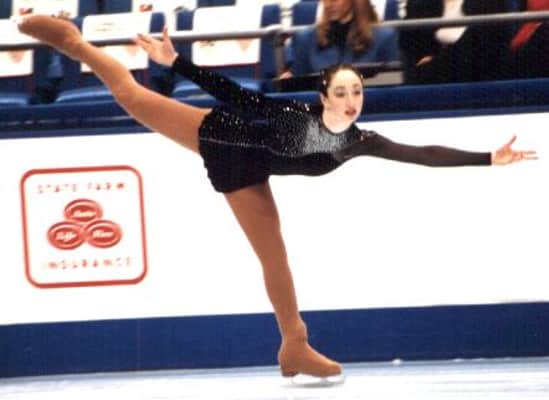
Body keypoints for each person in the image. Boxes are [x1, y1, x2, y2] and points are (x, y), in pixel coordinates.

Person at [18, 15, 537, 379]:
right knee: (132, 95)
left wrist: (487, 159)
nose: (351, 101)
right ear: (323, 96)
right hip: (222, 137)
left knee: (275, 256)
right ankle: (75, 43)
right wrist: (177, 63)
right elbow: (236, 95)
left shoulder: (360, 141)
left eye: (357, 92)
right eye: (341, 92)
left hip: (253, 172)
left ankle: (294, 346)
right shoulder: (297, 120)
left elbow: (421, 153)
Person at [399, 0, 515, 83]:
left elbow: (477, 51)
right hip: (433, 84)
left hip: (481, 82)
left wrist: (433, 64)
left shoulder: (489, 2)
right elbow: (410, 46)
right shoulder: (419, 4)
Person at [283, 0, 400, 78]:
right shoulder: (305, 39)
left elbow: (391, 91)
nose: (328, 4)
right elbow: (299, 89)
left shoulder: (385, 38)